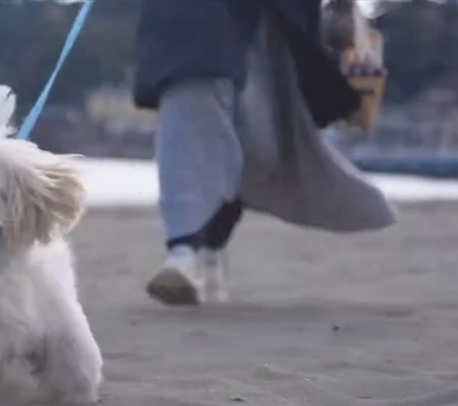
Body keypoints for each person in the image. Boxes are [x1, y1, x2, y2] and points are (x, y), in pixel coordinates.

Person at [132, 0, 397, 306]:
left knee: (260, 146)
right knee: (192, 98)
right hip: (191, 17)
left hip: (269, 20)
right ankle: (184, 250)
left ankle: (208, 242)